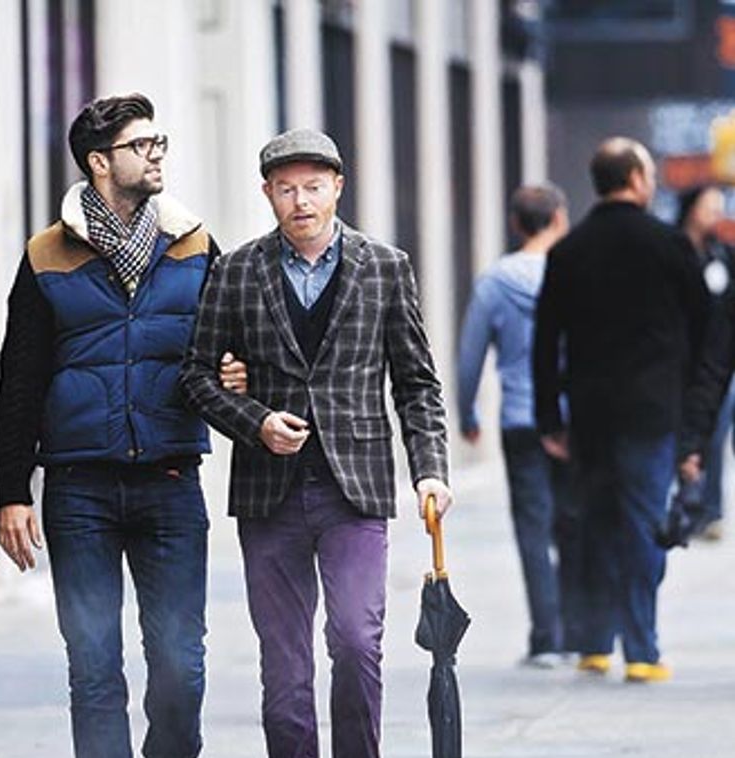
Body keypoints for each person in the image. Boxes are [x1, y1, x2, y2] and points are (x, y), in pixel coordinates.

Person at [181, 127, 452, 758]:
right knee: (284, 673)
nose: (300, 201)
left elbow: (417, 382)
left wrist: (429, 471)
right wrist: (255, 422)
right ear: (267, 195)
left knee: (357, 644)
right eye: (285, 189)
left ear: (337, 187)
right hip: (268, 495)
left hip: (353, 491)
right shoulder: (236, 270)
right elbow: (194, 375)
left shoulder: (385, 267)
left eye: (312, 187)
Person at [0, 93, 220, 758]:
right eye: (139, 146)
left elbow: (232, 346)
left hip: (171, 479)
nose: (155, 156)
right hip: (78, 489)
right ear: (99, 162)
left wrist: (238, 377)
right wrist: (12, 491)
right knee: (92, 666)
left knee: (181, 663)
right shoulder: (44, 256)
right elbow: (20, 379)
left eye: (158, 144)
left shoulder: (196, 245)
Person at [533, 137, 707, 684]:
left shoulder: (568, 250)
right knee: (642, 523)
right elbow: (704, 333)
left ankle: (593, 643)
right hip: (653, 412)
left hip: (589, 411)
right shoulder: (670, 245)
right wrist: (695, 422)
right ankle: (642, 649)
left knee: (595, 521)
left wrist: (549, 419)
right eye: (649, 172)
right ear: (634, 177)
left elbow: (545, 341)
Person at [457, 184, 584, 667]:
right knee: (572, 523)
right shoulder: (574, 275)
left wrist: (467, 412)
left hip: (518, 419)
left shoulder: (495, 282)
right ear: (557, 217)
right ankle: (577, 633)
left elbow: (471, 356)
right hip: (569, 418)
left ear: (516, 224)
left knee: (533, 528)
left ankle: (546, 638)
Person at [675, 185, 732, 541]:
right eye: (709, 206)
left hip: (717, 359)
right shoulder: (673, 250)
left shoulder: (722, 254)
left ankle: (710, 509)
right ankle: (684, 502)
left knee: (716, 428)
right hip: (678, 358)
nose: (716, 213)